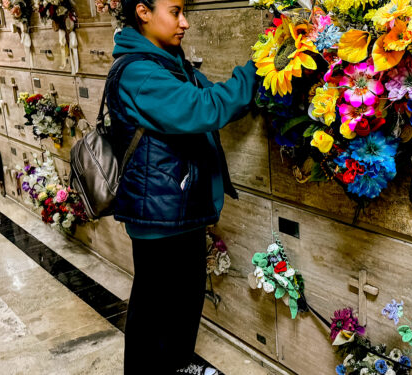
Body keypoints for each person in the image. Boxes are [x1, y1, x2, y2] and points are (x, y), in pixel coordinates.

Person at [107, 0, 257, 373]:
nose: (185, 22)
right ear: (143, 12)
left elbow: (218, 99)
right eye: (174, 11)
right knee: (155, 311)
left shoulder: (166, 61)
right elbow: (204, 108)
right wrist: (262, 64)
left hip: (177, 207)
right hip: (159, 215)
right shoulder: (140, 73)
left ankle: (176, 364)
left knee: (184, 300)